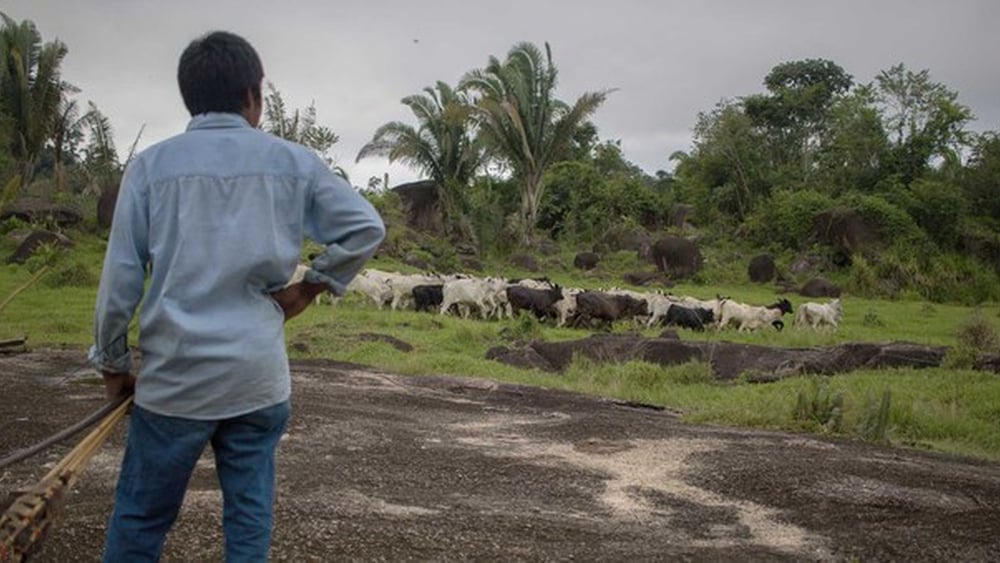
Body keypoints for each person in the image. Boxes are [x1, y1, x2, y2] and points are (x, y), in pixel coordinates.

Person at [89, 30, 385, 562]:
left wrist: (113, 365)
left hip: (174, 383)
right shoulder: (294, 163)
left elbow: (120, 280)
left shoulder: (151, 168)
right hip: (256, 381)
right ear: (254, 94)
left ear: (190, 96)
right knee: (249, 519)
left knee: (140, 518)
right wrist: (308, 289)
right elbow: (366, 227)